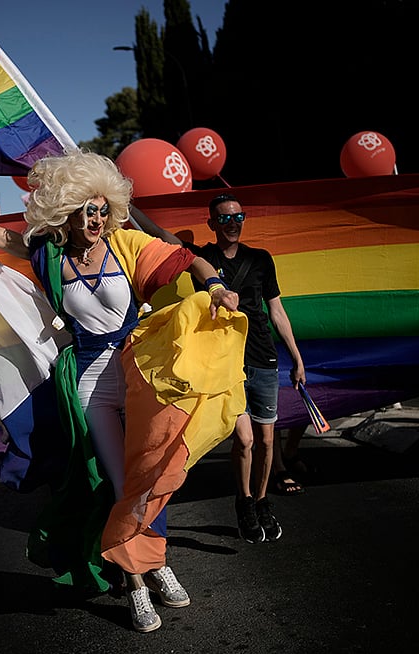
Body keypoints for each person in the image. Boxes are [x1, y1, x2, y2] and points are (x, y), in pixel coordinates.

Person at [0, 150, 244, 633]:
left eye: (104, 209)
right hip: (88, 383)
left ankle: (158, 562)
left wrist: (216, 288)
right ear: (67, 209)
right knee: (120, 484)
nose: (98, 218)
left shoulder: (125, 243)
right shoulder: (49, 251)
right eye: (89, 210)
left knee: (151, 474)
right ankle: (137, 585)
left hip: (139, 374)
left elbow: (192, 262)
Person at [131, 194, 306, 543]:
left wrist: (297, 359)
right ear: (211, 223)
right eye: (225, 219)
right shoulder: (203, 259)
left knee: (266, 442)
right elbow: (161, 236)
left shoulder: (260, 260)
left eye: (238, 217)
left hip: (262, 357)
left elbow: (276, 312)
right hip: (225, 362)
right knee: (243, 440)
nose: (232, 224)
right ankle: (244, 502)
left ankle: (261, 500)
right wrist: (128, 207)